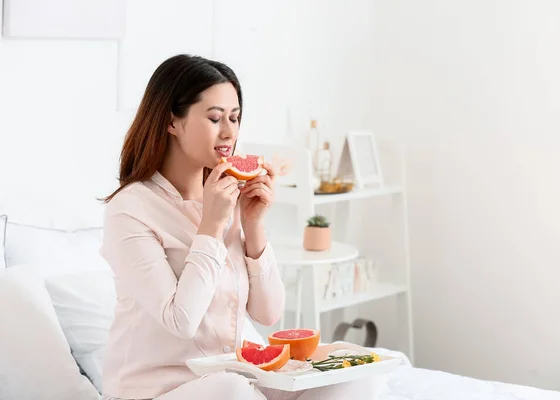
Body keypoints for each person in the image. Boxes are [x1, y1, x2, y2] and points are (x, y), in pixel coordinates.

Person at [101, 54, 386, 400]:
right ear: (171, 121)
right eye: (215, 118)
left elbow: (268, 313)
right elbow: (180, 321)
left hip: (236, 378)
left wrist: (253, 225)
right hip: (160, 391)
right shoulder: (130, 209)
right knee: (231, 390)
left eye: (235, 118)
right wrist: (212, 226)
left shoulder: (229, 194)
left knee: (358, 379)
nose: (229, 132)